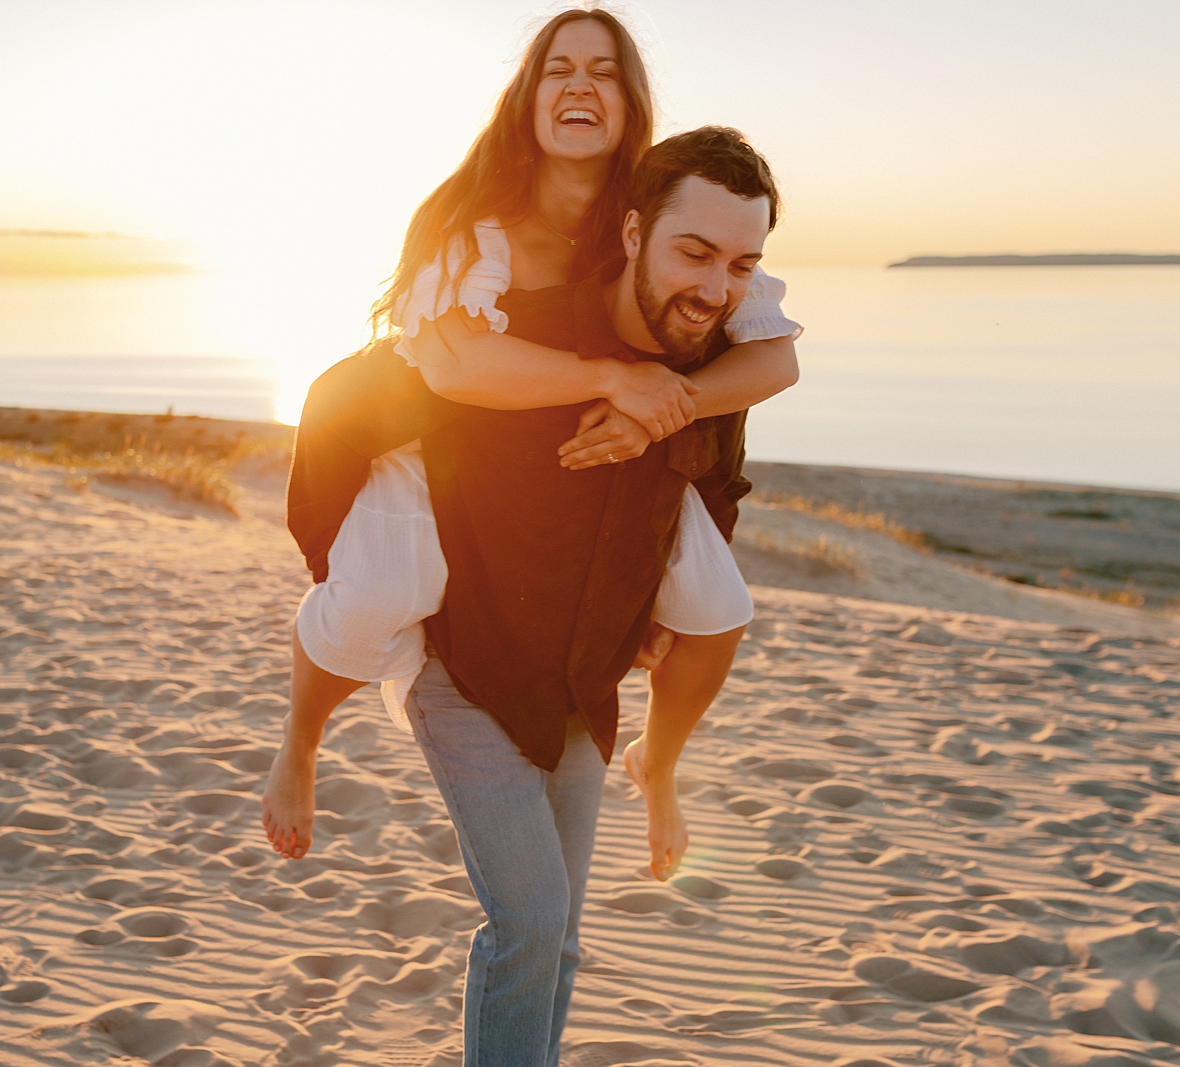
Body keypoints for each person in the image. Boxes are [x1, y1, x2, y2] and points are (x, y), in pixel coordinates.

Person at [262, 9, 800, 881]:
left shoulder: (660, 212)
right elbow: (454, 365)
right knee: (376, 593)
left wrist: (665, 404)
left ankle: (657, 766)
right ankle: (300, 740)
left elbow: (775, 353)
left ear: (631, 104)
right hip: (430, 430)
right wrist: (613, 381)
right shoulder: (477, 222)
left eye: (604, 72)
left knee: (713, 609)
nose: (580, 86)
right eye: (558, 70)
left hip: (596, 450)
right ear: (528, 97)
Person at [396, 125, 782, 1067]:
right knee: (528, 920)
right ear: (634, 229)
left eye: (742, 263)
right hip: (468, 666)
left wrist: (666, 410)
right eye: (695, 251)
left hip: (583, 683)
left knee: (560, 930)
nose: (716, 286)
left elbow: (718, 483)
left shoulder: (717, 354)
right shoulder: (526, 326)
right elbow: (384, 393)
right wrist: (612, 380)